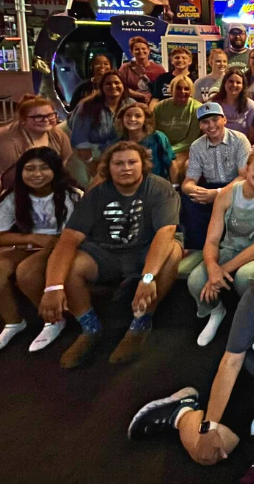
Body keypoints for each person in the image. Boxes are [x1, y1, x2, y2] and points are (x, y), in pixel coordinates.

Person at [128, 227, 254, 463]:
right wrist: (210, 427)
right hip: (252, 382)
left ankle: (252, 425)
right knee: (205, 454)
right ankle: (182, 412)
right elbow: (231, 362)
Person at [40, 141, 183, 368]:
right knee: (72, 265)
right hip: (107, 252)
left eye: (131, 162)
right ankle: (90, 328)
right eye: (118, 163)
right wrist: (53, 286)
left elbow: (166, 233)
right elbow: (69, 238)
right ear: (108, 167)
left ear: (143, 165)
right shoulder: (97, 194)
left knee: (173, 251)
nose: (125, 168)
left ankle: (141, 322)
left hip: (146, 250)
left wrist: (148, 277)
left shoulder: (159, 188)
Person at [0, 148, 82, 355]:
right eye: (30, 168)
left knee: (27, 272)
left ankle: (53, 320)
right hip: (29, 243)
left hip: (61, 244)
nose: (36, 174)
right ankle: (13, 322)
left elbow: (74, 235)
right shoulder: (12, 196)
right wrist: (31, 239)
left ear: (55, 170)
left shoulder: (72, 195)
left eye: (44, 168)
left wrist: (45, 243)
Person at [0, 96, 72, 279]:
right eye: (38, 117)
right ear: (23, 120)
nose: (46, 120)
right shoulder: (0, 142)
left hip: (23, 188)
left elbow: (62, 165)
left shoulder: (57, 135)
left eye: (50, 115)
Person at [187, 149, 254, 346]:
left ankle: (252, 318)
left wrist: (221, 272)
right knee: (195, 281)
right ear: (246, 169)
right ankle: (216, 311)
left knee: (245, 278)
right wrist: (212, 268)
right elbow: (212, 240)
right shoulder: (228, 193)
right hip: (229, 249)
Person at [181, 102, 252, 250]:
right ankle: (198, 247)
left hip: (235, 186)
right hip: (210, 188)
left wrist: (219, 193)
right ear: (200, 125)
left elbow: (244, 176)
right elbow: (189, 181)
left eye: (215, 119)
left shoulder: (239, 139)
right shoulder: (197, 146)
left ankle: (231, 246)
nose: (211, 125)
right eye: (205, 122)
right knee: (188, 198)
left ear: (224, 120)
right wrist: (195, 191)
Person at [67, 71, 136, 175]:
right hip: (93, 155)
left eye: (117, 83)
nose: (113, 86)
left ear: (123, 86)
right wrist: (91, 163)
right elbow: (80, 142)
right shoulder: (87, 106)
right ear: (101, 87)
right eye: (108, 83)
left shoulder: (131, 104)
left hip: (123, 154)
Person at [153, 75, 202, 175]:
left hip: (186, 149)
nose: (182, 92)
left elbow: (191, 139)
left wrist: (170, 151)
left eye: (186, 89)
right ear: (171, 89)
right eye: (178, 88)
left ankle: (176, 189)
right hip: (162, 147)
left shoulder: (197, 108)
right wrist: (163, 149)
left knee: (175, 164)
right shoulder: (159, 107)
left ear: (191, 91)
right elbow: (154, 131)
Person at [115, 104, 177, 182]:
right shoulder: (119, 143)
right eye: (128, 115)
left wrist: (175, 187)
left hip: (157, 183)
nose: (132, 119)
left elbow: (171, 163)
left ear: (145, 119)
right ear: (122, 119)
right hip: (131, 184)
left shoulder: (158, 137)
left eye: (138, 116)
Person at [214, 67, 254, 139]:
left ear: (243, 86)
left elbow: (252, 137)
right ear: (224, 83)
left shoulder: (252, 107)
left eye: (238, 82)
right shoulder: (214, 104)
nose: (234, 85)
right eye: (231, 81)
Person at [119, 36, 166, 104]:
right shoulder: (125, 68)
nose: (141, 51)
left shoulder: (159, 69)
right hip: (132, 104)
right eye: (137, 49)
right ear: (131, 52)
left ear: (148, 50)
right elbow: (121, 87)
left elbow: (163, 89)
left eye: (143, 48)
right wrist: (139, 95)